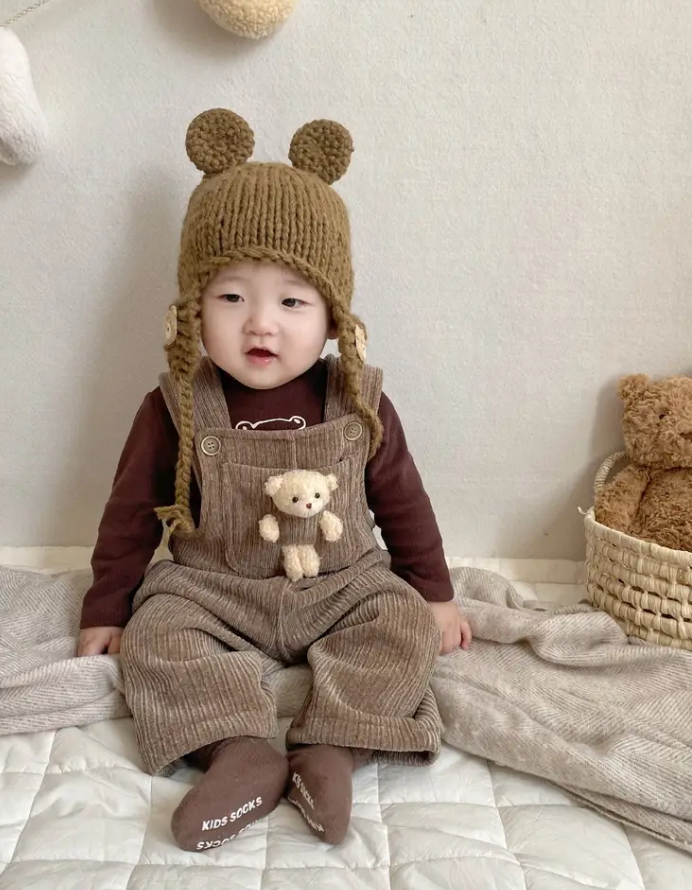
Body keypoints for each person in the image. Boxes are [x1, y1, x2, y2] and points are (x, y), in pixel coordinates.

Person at [77, 109, 471, 851]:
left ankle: (333, 746)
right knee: (157, 634)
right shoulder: (177, 404)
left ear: (332, 318)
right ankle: (237, 751)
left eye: (292, 301)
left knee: (401, 624)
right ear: (193, 309)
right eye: (231, 298)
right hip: (214, 591)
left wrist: (435, 593)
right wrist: (107, 608)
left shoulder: (358, 400)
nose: (261, 323)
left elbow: (403, 501)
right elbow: (129, 512)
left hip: (340, 587)